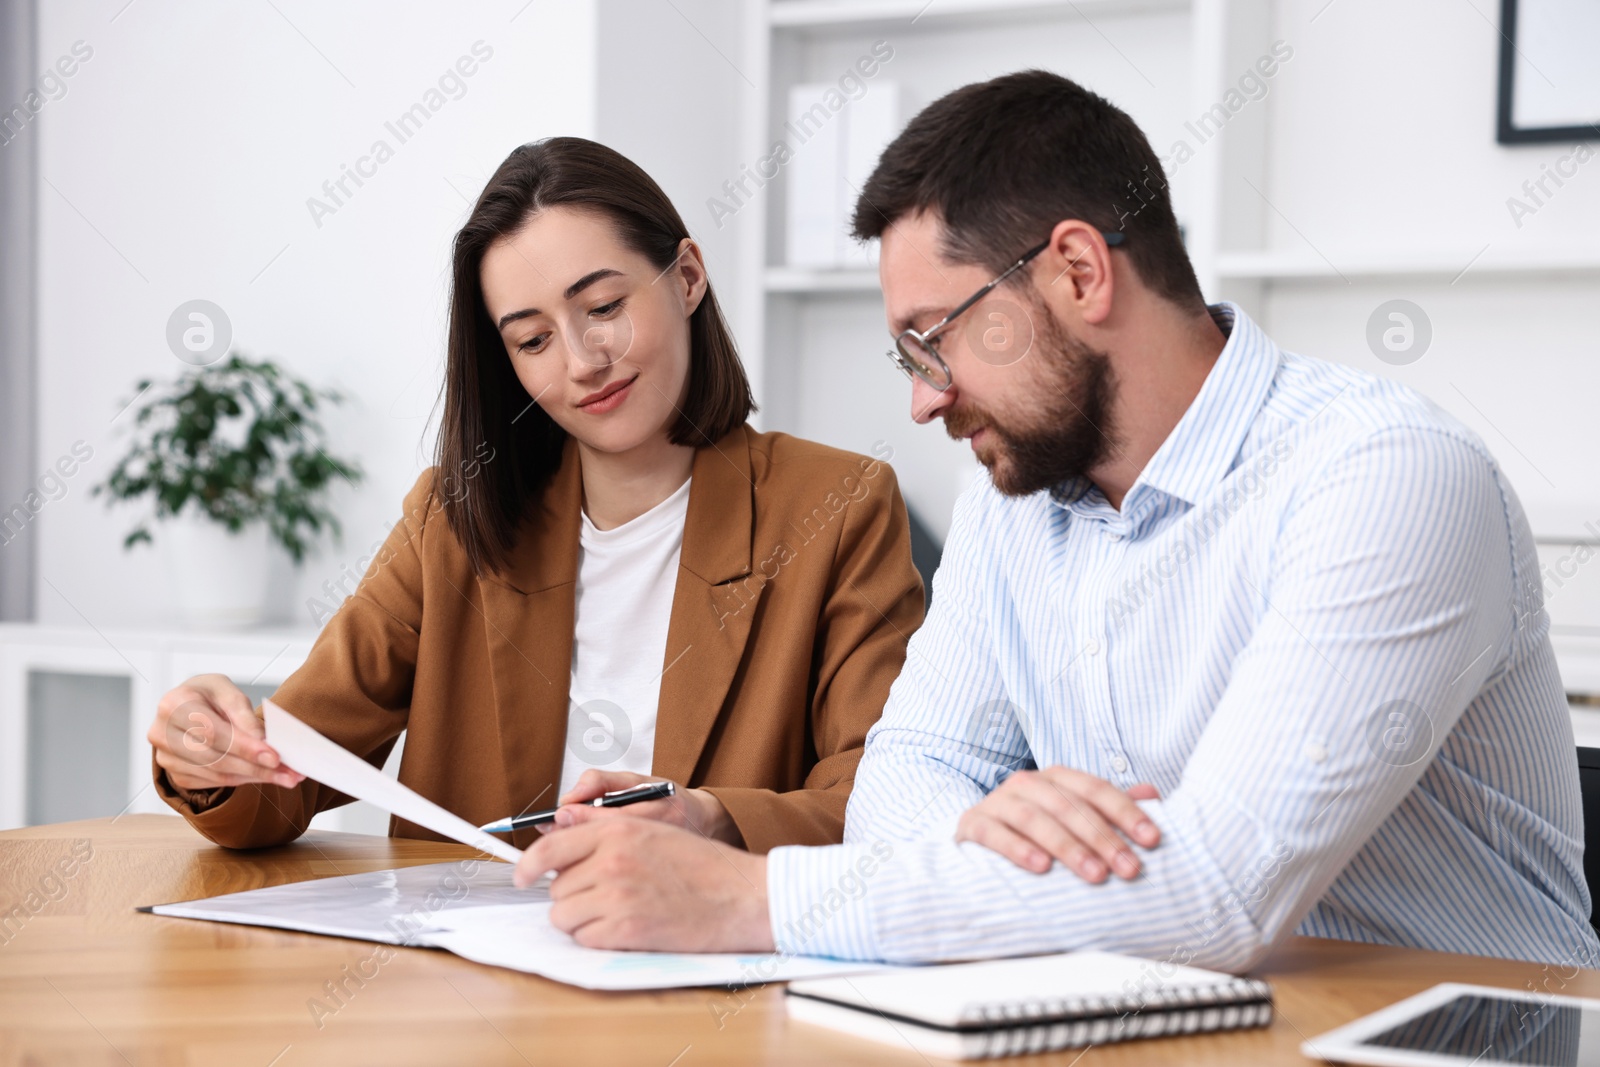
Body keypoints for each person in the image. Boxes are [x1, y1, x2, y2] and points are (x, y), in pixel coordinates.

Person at [513, 71, 1600, 972]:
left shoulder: (1382, 477)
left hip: (1446, 1040)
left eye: (932, 338)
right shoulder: (1021, 500)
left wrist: (750, 896)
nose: (922, 398)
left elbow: (1214, 891)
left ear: (1078, 271)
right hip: (1150, 1029)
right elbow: (905, 779)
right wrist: (981, 825)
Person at [146, 137, 924, 854]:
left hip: (696, 975)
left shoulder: (841, 505)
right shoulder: (452, 521)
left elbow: (890, 801)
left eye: (605, 308)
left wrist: (712, 818)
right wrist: (208, 750)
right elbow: (285, 776)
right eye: (532, 339)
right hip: (469, 981)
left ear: (686, 277)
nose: (582, 360)